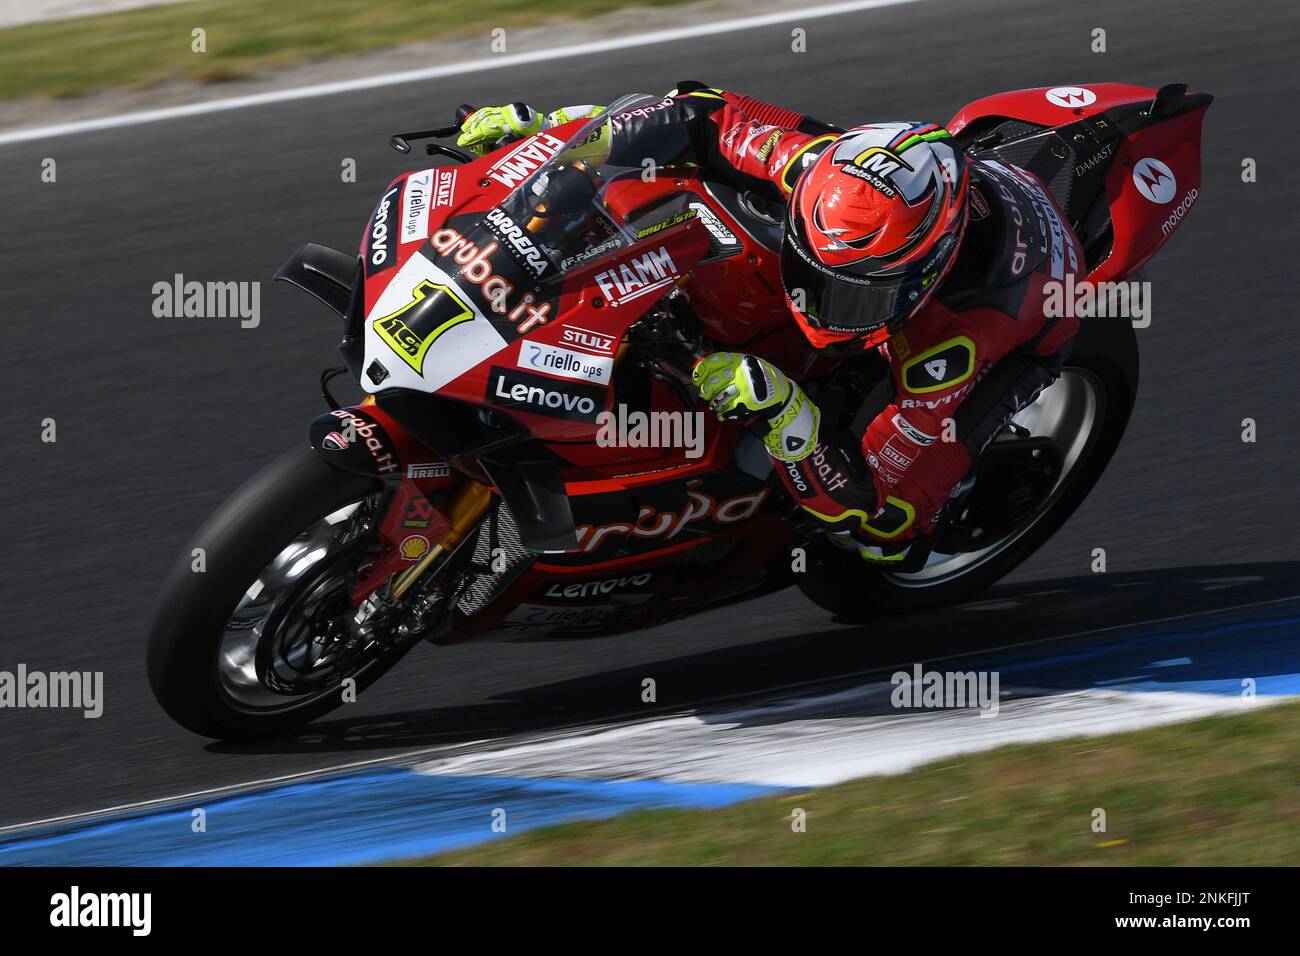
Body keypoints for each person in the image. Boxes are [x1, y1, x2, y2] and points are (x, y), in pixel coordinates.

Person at [456, 85, 1082, 563]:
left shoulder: (959, 341)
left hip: (1030, 326)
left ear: (926, 273)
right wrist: (558, 138)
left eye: (851, 297)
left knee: (885, 540)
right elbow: (681, 112)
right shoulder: (812, 165)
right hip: (926, 207)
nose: (821, 305)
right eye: (816, 275)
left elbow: (880, 506)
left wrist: (786, 411)